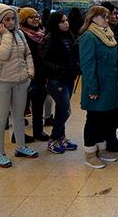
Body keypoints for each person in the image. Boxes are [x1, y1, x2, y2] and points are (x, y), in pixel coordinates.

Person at [0, 4, 39, 168]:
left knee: (19, 117)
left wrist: (30, 73)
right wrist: (6, 35)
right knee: (1, 119)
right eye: (6, 19)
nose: (11, 22)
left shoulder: (20, 34)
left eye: (13, 18)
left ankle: (21, 147)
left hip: (21, 81)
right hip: (0, 83)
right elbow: (1, 54)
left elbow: (27, 54)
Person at [79, 5, 118, 169]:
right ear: (93, 18)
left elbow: (116, 60)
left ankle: (101, 148)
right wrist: (92, 89)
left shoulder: (108, 35)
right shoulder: (89, 37)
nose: (108, 19)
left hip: (111, 85)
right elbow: (87, 65)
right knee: (94, 119)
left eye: (108, 16)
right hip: (98, 86)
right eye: (104, 17)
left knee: (107, 118)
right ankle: (90, 153)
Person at [41, 12, 79, 154]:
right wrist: (59, 69)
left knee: (61, 110)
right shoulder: (50, 38)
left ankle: (61, 138)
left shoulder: (69, 36)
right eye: (62, 21)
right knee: (65, 111)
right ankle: (53, 139)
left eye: (67, 20)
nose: (66, 23)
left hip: (68, 78)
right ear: (55, 23)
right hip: (56, 79)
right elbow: (43, 59)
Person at [18, 7, 48, 141]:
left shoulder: (42, 32)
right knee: (20, 106)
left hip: (41, 73)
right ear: (24, 20)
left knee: (38, 103)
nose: (36, 19)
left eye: (37, 16)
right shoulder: (20, 34)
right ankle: (18, 134)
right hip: (25, 73)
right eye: (32, 17)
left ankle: (38, 131)